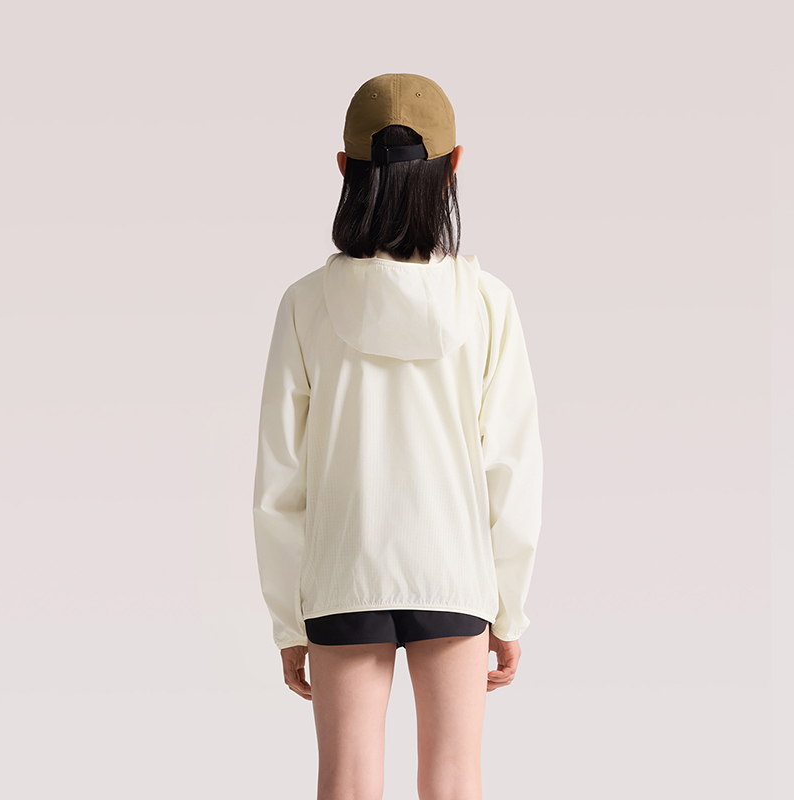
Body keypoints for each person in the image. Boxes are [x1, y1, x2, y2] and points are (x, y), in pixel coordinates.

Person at [252, 73, 544, 800]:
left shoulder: (306, 304)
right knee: (454, 780)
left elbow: (279, 482)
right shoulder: (488, 303)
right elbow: (511, 468)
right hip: (454, 570)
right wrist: (509, 606)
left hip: (343, 573)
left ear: (344, 169)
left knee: (347, 783)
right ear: (454, 166)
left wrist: (289, 622)